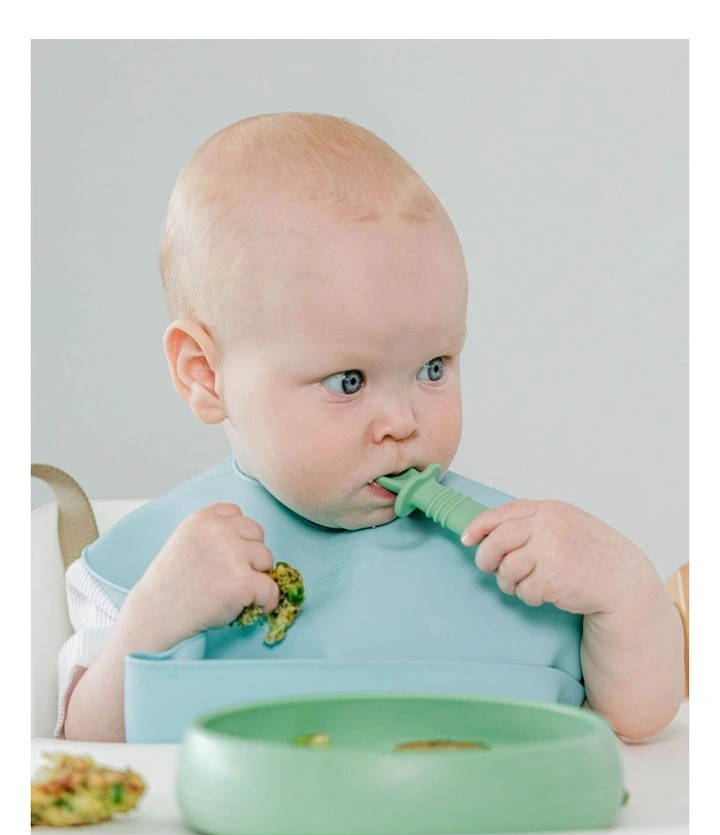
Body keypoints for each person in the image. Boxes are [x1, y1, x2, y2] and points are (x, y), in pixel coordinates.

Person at [57, 112, 684, 742]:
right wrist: (153, 620)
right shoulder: (154, 565)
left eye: (433, 367)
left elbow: (638, 722)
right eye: (349, 381)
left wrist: (623, 590)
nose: (403, 422)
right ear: (206, 375)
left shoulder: (520, 559)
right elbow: (85, 747)